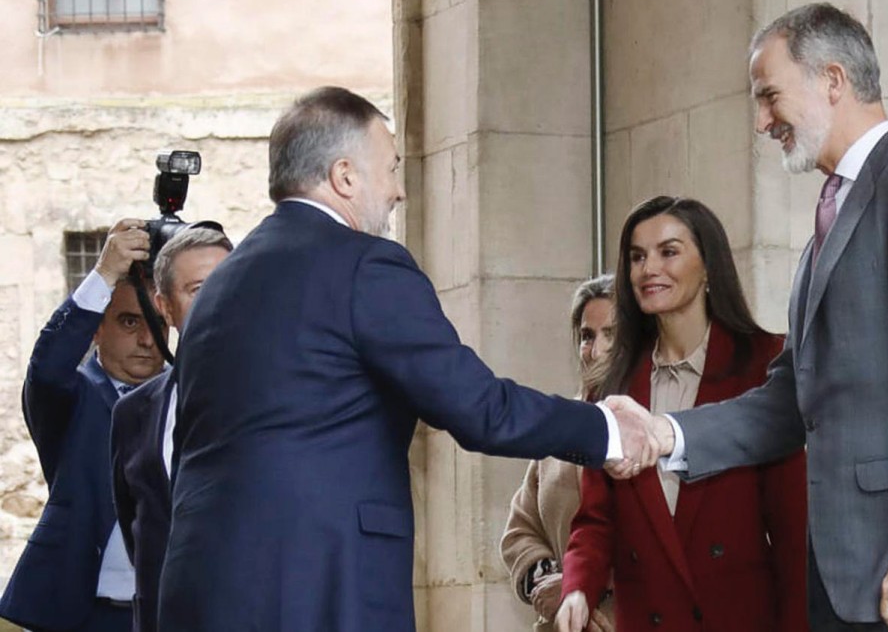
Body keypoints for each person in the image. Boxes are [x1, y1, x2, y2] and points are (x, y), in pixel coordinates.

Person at [156, 86, 658, 632]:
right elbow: (478, 407)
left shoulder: (220, 285)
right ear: (345, 176)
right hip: (320, 586)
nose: (399, 191)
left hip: (200, 584)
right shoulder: (365, 265)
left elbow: (188, 446)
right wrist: (607, 429)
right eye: (391, 167)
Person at [605, 4, 888, 632]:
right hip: (851, 581)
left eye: (769, 96)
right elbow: (790, 402)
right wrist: (666, 434)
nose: (761, 121)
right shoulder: (825, 231)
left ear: (832, 80)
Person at [557, 197, 809, 632]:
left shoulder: (767, 364)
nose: (648, 268)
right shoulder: (611, 385)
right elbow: (595, 519)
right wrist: (578, 587)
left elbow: (792, 533)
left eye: (668, 252)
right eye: (637, 257)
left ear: (709, 264)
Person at [0, 219, 165, 632]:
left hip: (169, 610)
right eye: (130, 322)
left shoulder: (189, 398)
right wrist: (105, 273)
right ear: (97, 329)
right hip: (80, 610)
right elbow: (49, 368)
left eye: (157, 324)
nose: (147, 339)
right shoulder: (72, 397)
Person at [110, 227, 233, 632]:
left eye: (228, 282)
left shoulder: (288, 396)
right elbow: (139, 531)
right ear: (164, 306)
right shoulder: (133, 413)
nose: (217, 298)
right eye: (198, 289)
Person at [500, 274, 617, 632]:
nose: (596, 350)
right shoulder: (561, 427)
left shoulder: (660, 426)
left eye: (611, 334)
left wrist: (582, 584)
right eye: (587, 336)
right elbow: (519, 531)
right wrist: (550, 578)